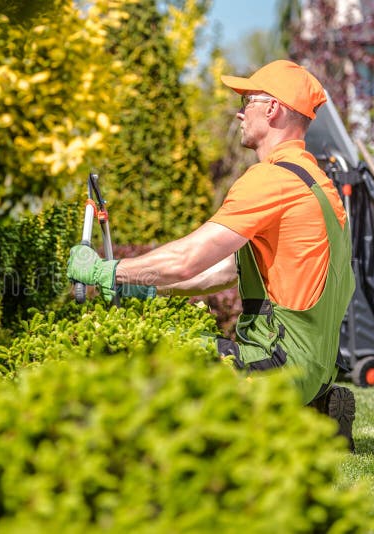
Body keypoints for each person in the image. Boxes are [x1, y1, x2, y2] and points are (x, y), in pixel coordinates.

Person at [67, 59, 357, 450]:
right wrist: (144, 289)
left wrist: (108, 270)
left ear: (272, 109)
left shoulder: (270, 180)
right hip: (316, 369)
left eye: (247, 99)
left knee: (149, 352)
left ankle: (276, 417)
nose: (240, 111)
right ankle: (314, 412)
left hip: (277, 364)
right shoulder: (319, 185)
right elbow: (221, 271)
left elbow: (189, 258)